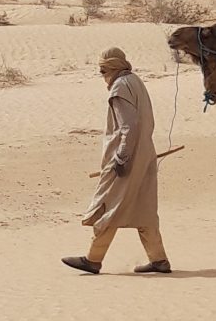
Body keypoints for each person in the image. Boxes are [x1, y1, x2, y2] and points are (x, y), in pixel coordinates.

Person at [62, 47, 171, 275]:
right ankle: (158, 260)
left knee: (110, 205)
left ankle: (93, 259)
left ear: (112, 68)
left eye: (103, 71)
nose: (103, 77)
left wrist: (121, 158)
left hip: (127, 158)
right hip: (145, 155)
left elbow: (128, 127)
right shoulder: (136, 81)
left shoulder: (120, 88)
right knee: (144, 209)